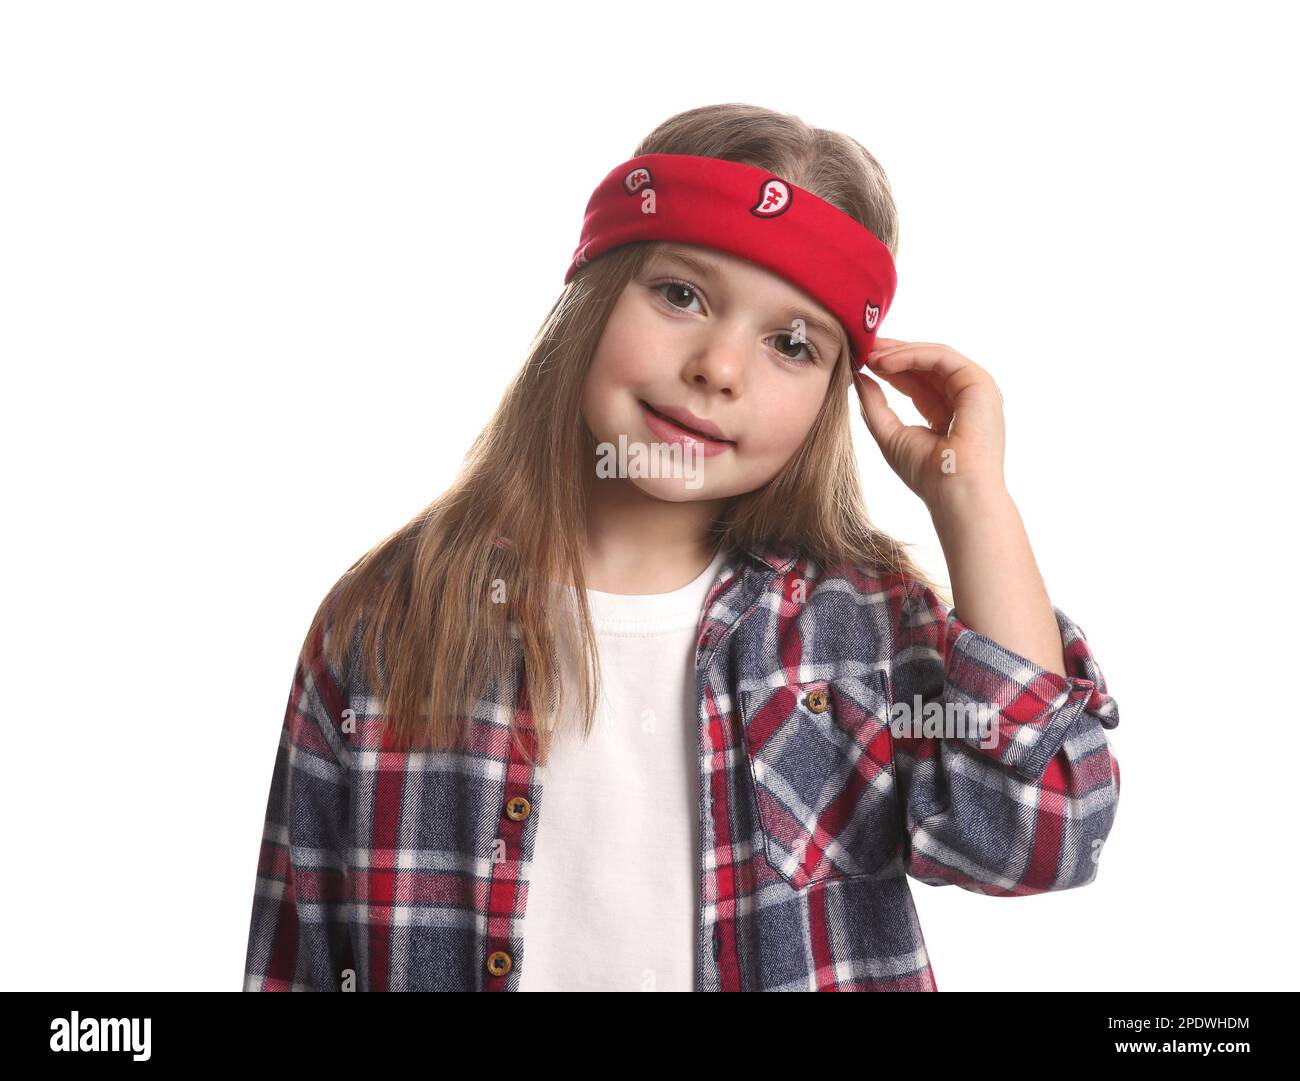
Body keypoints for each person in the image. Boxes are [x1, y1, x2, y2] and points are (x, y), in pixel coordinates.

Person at [242, 102, 1121, 992]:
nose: (720, 366)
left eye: (791, 343)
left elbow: (1036, 835)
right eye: (681, 294)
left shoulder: (857, 630)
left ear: (831, 396)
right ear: (592, 289)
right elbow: (298, 954)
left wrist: (974, 504)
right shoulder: (388, 619)